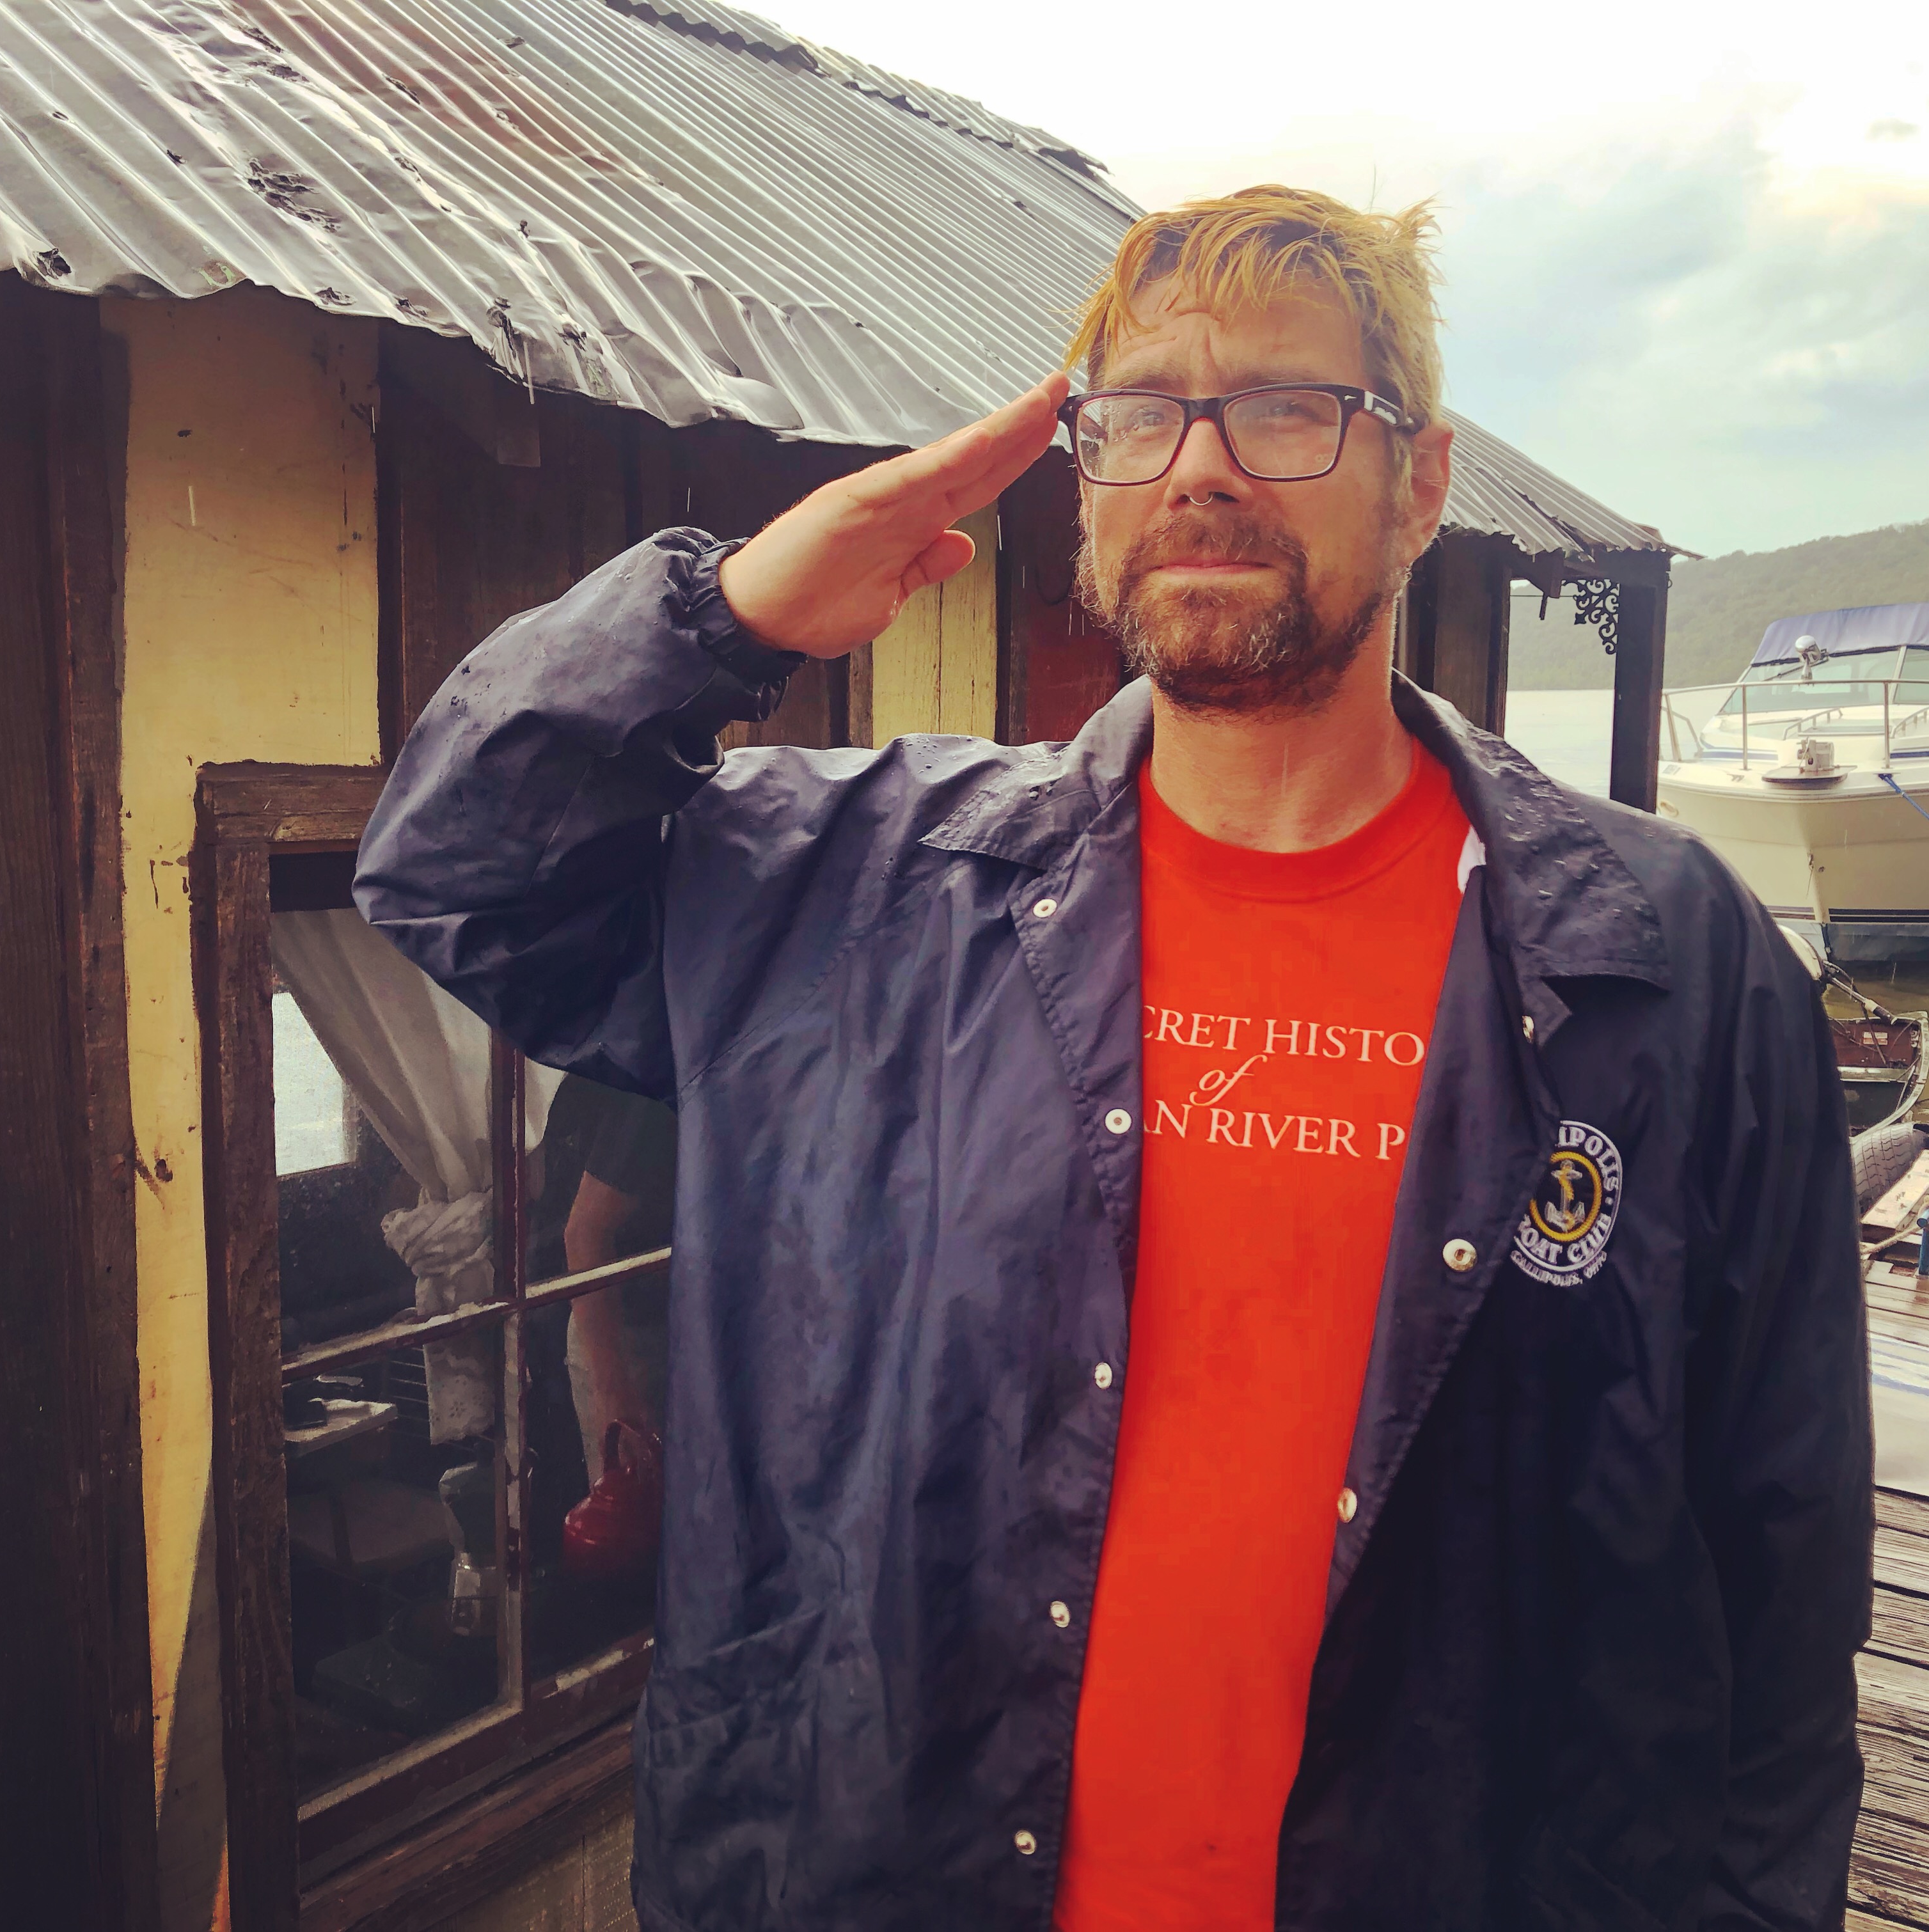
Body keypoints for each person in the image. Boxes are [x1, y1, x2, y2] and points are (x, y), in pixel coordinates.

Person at [355, 185, 1873, 1931]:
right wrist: (725, 623)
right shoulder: (864, 894)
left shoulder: (1663, 957)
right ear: (1085, 478)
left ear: (1423, 481)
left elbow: (1783, 1552)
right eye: (1141, 414)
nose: (1201, 469)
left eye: (1290, 410)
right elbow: (454, 868)